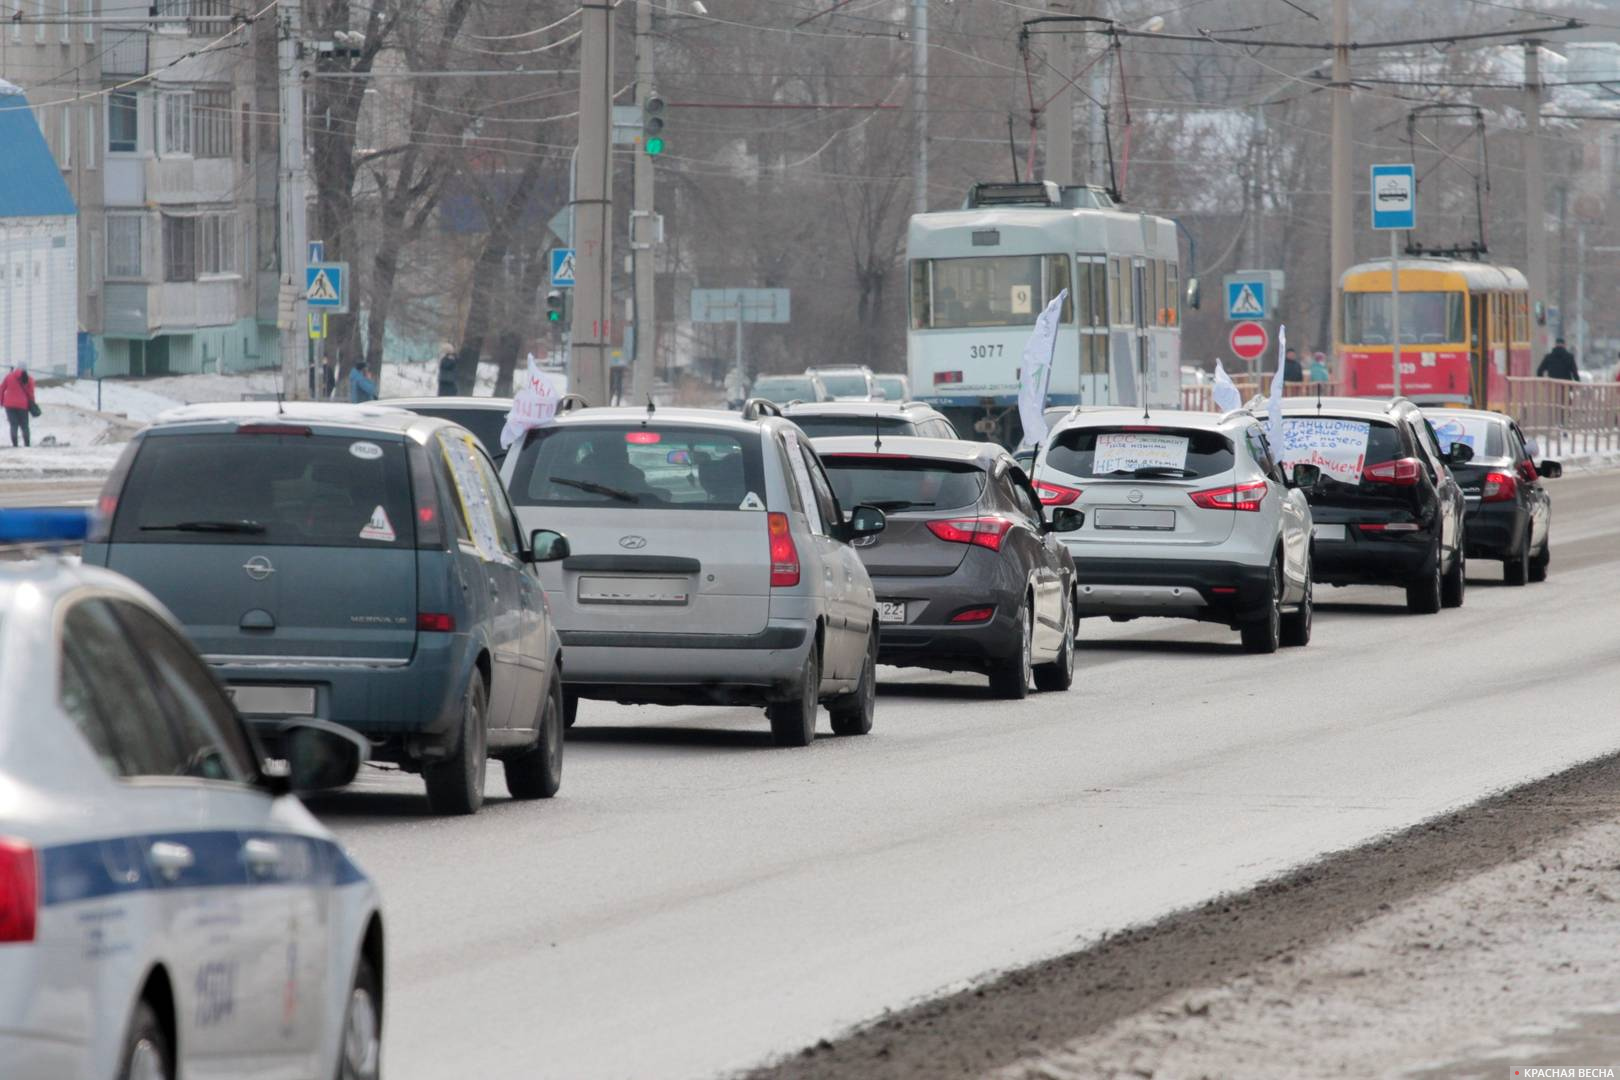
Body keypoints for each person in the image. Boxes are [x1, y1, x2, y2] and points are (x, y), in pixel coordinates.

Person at [1, 363, 37, 447]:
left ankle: (15, 445)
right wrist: (32, 403)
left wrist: (1, 402)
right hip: (22, 405)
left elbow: (1, 388)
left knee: (13, 425)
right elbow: (31, 393)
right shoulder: (29, 379)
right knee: (24, 425)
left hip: (9, 405)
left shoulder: (9, 376)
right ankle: (27, 444)